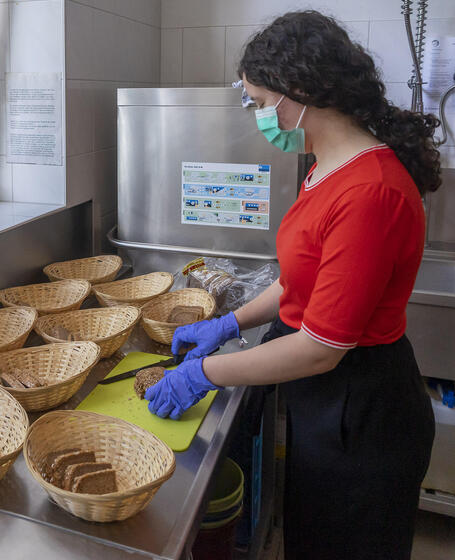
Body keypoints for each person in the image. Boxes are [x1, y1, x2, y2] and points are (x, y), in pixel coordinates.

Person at [144, 11, 439, 559]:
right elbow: (300, 279)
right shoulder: (324, 166)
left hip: (360, 412)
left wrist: (203, 374)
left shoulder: (369, 192)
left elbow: (320, 349)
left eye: (260, 102)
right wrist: (232, 322)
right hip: (325, 404)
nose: (259, 115)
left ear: (298, 90)